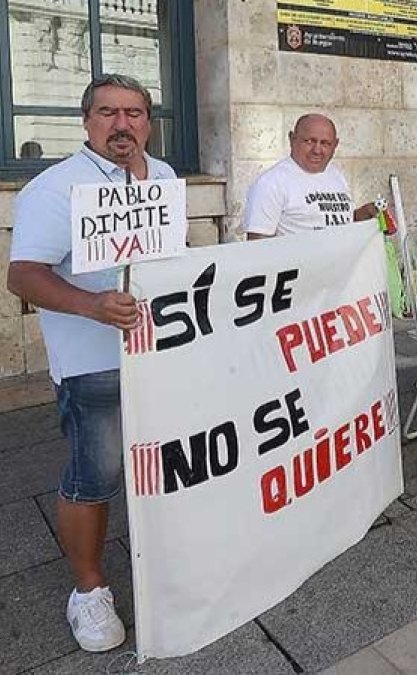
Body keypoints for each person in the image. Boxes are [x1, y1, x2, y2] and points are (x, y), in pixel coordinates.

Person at [7, 74, 175, 653]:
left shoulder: (166, 176)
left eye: (134, 112)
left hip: (160, 353)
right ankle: (88, 590)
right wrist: (92, 305)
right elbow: (22, 274)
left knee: (164, 460)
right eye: (108, 112)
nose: (122, 123)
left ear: (148, 122)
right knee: (95, 474)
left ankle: (165, 560)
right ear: (86, 121)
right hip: (92, 363)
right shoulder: (57, 189)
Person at [241, 113, 379, 238]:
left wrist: (362, 215)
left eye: (325, 143)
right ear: (292, 139)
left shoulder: (336, 176)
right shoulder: (271, 183)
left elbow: (332, 225)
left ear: (335, 145)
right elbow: (258, 248)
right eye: (310, 141)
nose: (317, 150)